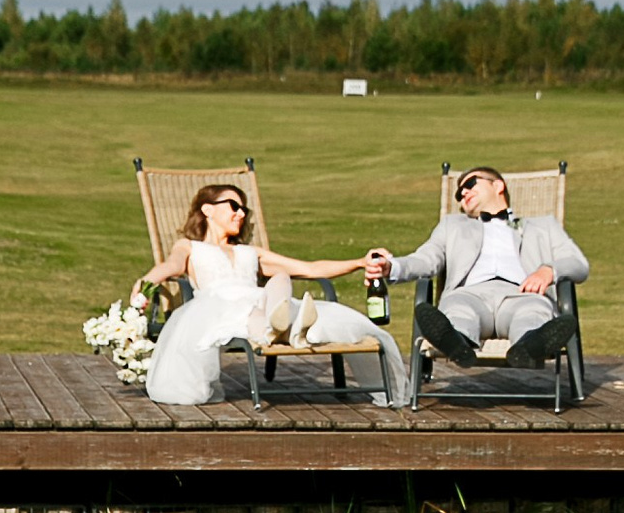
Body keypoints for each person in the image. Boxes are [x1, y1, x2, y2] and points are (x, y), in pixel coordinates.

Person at [142, 179, 407, 408]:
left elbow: (310, 268)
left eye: (244, 209)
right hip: (218, 307)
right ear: (207, 209)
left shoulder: (250, 252)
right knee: (255, 313)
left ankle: (282, 326)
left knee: (280, 276)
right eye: (234, 206)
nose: (241, 214)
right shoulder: (190, 247)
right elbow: (170, 267)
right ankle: (288, 329)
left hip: (262, 304)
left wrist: (359, 262)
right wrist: (144, 286)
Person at [367, 167, 587, 369]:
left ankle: (527, 348)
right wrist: (391, 267)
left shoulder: (542, 225)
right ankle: (458, 344)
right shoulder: (452, 225)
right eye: (459, 193)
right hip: (470, 294)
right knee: (458, 311)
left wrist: (548, 270)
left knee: (531, 314)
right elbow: (426, 259)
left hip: (522, 293)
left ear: (498, 185)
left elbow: (578, 263)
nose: (463, 193)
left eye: (470, 184)